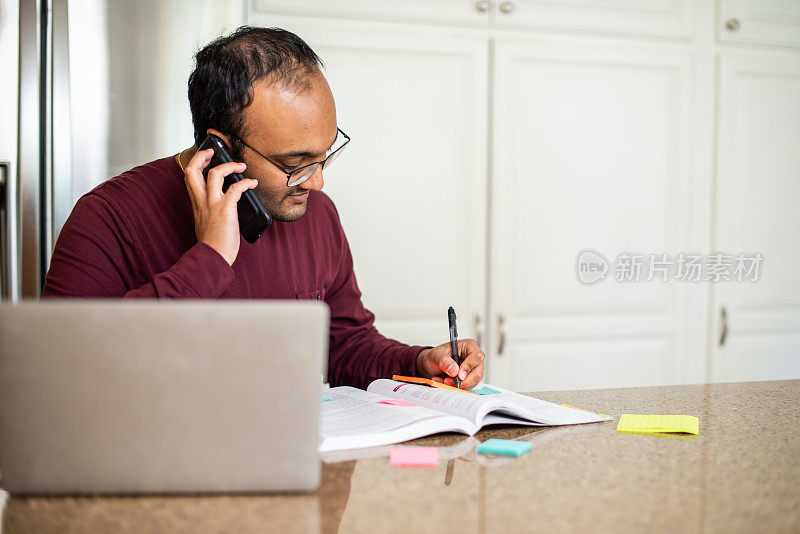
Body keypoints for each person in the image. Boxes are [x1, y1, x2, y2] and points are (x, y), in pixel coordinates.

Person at [41, 26, 485, 390]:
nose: (318, 181)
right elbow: (61, 370)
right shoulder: (107, 216)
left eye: (325, 155)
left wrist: (421, 361)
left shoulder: (318, 214)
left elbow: (344, 345)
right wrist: (210, 258)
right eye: (295, 165)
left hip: (288, 470)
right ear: (219, 148)